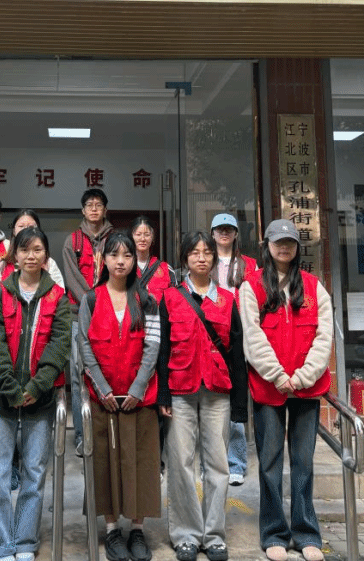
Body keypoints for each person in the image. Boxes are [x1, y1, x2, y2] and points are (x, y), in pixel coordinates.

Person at [240, 219, 333, 561]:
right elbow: (252, 337)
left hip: (307, 389)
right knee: (269, 463)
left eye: (290, 243)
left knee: (303, 463)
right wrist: (278, 376)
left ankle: (306, 533)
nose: (284, 247)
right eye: (278, 242)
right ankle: (274, 533)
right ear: (266, 245)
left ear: (297, 247)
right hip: (269, 388)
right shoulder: (251, 286)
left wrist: (305, 375)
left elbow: (325, 336)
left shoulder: (313, 286)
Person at [0, 226, 72, 561]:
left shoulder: (58, 298)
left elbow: (59, 345)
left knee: (34, 473)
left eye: (37, 250)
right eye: (24, 250)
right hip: (1, 399)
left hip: (41, 399)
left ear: (46, 256)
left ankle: (25, 541)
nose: (30, 256)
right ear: (14, 256)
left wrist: (36, 386)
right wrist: (10, 388)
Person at [158, 232, 247, 561]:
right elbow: (162, 349)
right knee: (181, 464)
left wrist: (240, 404)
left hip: (217, 390)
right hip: (180, 389)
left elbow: (236, 354)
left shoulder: (227, 300)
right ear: (185, 258)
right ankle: (186, 534)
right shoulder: (170, 298)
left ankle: (214, 535)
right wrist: (162, 395)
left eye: (207, 252)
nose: (201, 258)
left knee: (217, 464)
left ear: (213, 258)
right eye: (194, 252)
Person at [78, 232, 162, 561]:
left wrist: (138, 388)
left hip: (140, 399)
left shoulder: (147, 301)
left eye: (127, 255)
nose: (121, 261)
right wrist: (102, 388)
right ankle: (112, 529)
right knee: (105, 464)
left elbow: (153, 346)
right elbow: (85, 346)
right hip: (104, 399)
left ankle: (137, 530)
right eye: (114, 255)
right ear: (104, 260)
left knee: (141, 463)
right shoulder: (90, 300)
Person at [62, 188, 114, 454]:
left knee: (110, 372)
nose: (94, 209)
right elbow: (71, 277)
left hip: (110, 315)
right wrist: (92, 301)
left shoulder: (115, 238)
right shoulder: (72, 241)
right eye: (89, 205)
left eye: (98, 205)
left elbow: (118, 271)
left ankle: (107, 434)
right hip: (78, 316)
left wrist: (104, 301)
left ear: (105, 210)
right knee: (79, 374)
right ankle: (82, 436)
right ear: (83, 210)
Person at [210, 213, 258, 487]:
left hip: (241, 336)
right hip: (213, 336)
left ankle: (236, 463)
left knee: (238, 401)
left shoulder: (249, 265)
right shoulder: (206, 260)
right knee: (211, 401)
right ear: (213, 234)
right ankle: (213, 462)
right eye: (220, 229)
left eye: (229, 229)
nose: (224, 233)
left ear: (236, 234)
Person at [0, 209, 65, 289]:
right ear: (14, 231)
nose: (26, 230)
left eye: (31, 227)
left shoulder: (49, 263)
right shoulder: (0, 263)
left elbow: (59, 291)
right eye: (21, 226)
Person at [130, 215, 174, 300]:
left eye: (147, 235)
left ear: (152, 237)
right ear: (131, 237)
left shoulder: (166, 269)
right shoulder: (124, 267)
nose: (142, 239)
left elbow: (173, 302)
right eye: (138, 234)